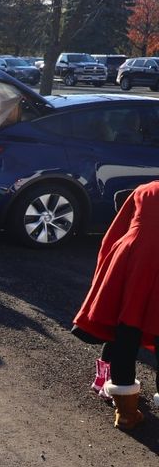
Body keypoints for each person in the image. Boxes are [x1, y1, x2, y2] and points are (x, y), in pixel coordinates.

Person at [72, 182, 159, 430]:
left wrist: (106, 269)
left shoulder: (146, 190)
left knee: (125, 332)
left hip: (134, 263)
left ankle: (127, 413)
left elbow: (116, 232)